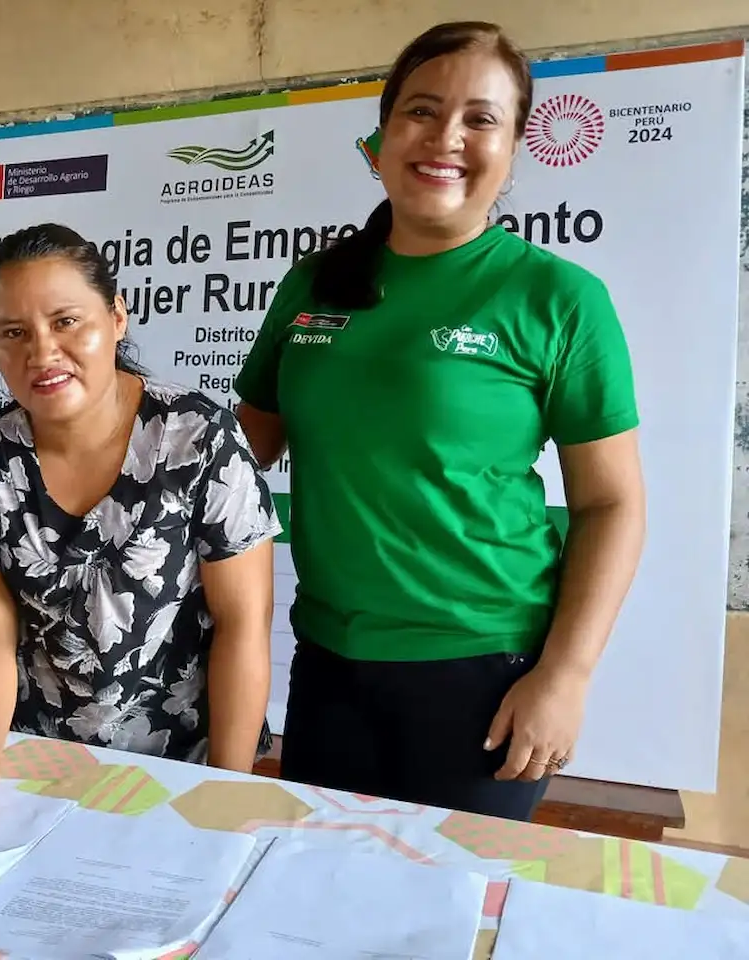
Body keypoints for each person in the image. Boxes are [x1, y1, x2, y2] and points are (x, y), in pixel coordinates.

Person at [233, 21, 646, 821]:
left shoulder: (559, 299)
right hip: (328, 660)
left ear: (514, 147)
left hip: (486, 672)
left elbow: (613, 505)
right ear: (383, 135)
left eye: (480, 119)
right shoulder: (314, 284)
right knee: (319, 882)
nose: (445, 137)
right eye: (421, 111)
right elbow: (241, 453)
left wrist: (565, 676)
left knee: (448, 891)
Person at [0, 223, 280, 829]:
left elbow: (243, 625)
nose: (42, 353)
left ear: (116, 317)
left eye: (66, 321)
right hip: (37, 764)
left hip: (182, 764)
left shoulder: (199, 440)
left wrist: (225, 788)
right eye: (13, 332)